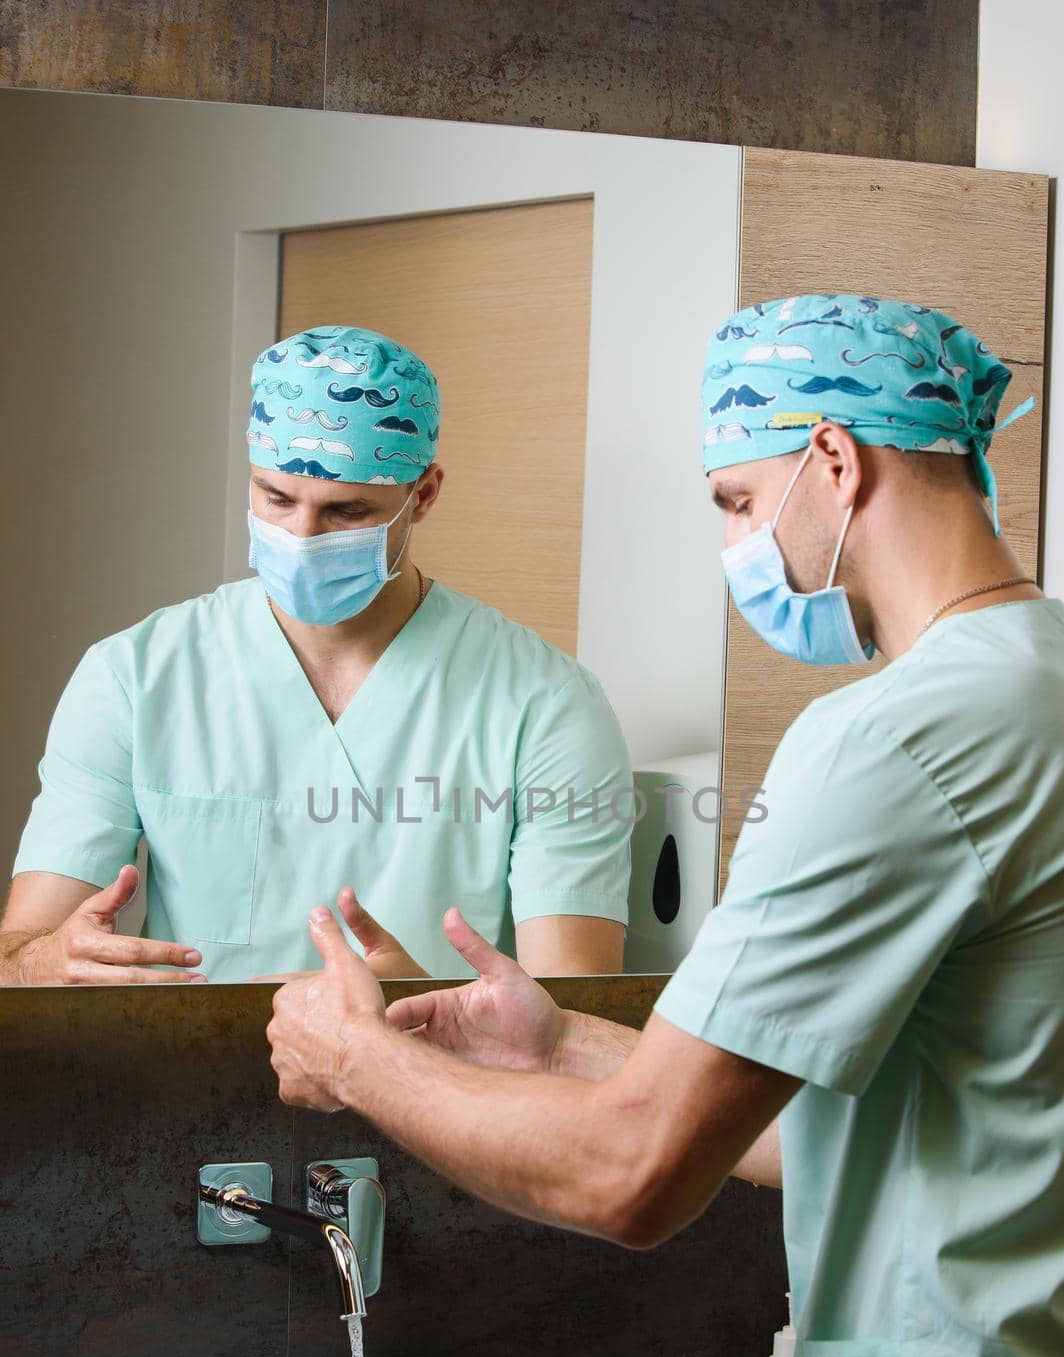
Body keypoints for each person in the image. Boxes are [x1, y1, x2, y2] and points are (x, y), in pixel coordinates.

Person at [266, 294, 1064, 1357]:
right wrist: (563, 1042)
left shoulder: (895, 739)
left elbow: (634, 1178)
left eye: (736, 502)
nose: (738, 545)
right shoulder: (1044, 687)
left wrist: (353, 1058)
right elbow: (928, 1116)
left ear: (835, 461)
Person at [0, 326, 632, 984]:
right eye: (276, 498)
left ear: (426, 494)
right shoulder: (134, 678)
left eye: (348, 510)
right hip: (192, 1083)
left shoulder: (546, 704)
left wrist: (428, 1012)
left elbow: (575, 1009)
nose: (300, 537)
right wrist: (49, 959)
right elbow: (17, 958)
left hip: (438, 1081)